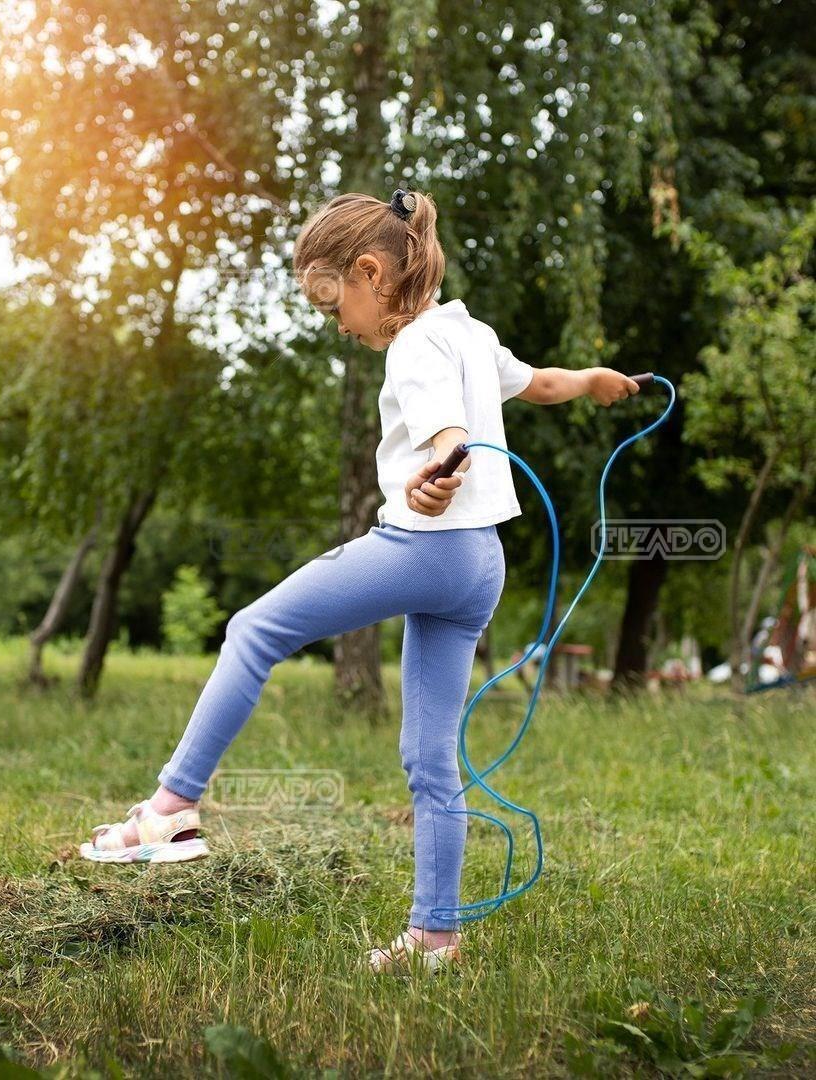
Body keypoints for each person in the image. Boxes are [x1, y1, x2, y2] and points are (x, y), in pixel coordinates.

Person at [78, 188, 640, 975]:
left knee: (253, 630)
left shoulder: (413, 345)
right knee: (431, 762)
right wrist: (591, 380)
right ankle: (435, 938)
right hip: (480, 565)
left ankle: (170, 809)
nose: (337, 323)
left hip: (425, 548)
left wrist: (439, 471)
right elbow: (537, 382)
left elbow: (448, 431)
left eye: (332, 301)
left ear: (372, 273)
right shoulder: (469, 331)